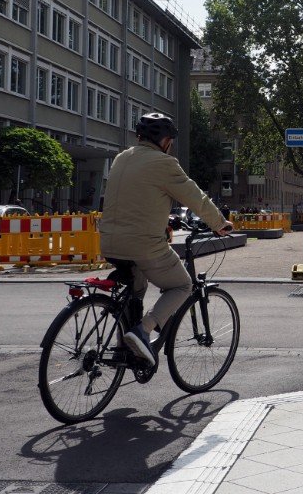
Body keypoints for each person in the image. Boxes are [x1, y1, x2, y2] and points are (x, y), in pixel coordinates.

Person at [99, 112, 233, 366]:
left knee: (135, 290)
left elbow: (137, 197)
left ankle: (123, 349)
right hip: (143, 245)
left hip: (109, 243)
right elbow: (195, 198)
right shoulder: (164, 163)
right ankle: (142, 330)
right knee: (181, 285)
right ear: (165, 141)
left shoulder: (121, 158)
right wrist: (220, 223)